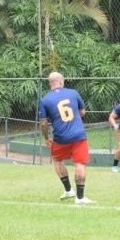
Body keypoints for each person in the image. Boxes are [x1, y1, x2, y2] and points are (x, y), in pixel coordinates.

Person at [38, 72, 95, 204]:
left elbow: (43, 123)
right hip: (79, 134)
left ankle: (68, 189)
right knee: (79, 163)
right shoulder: (73, 93)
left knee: (57, 160)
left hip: (60, 137)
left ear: (50, 84)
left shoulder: (44, 100)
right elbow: (82, 112)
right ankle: (80, 197)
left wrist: (46, 138)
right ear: (61, 82)